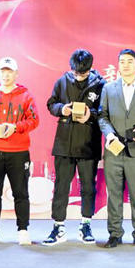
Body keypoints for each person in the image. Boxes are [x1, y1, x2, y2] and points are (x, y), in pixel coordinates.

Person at [0, 57, 39, 246]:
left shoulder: (26, 96)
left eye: (9, 71)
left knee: (21, 193)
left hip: (19, 152)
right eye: (2, 71)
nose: (6, 75)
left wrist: (16, 127)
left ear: (16, 74)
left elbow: (34, 120)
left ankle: (23, 230)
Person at [42, 49, 105, 246]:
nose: (78, 76)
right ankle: (58, 226)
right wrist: (62, 109)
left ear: (90, 69)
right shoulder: (62, 81)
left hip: (88, 143)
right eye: (76, 72)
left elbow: (104, 111)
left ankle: (85, 225)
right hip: (64, 143)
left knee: (88, 187)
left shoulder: (101, 84)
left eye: (82, 73)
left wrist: (90, 115)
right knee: (61, 187)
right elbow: (51, 104)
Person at [98, 49, 135, 248]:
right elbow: (102, 116)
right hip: (114, 149)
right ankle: (115, 234)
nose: (126, 65)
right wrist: (109, 134)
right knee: (114, 195)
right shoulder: (108, 88)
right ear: (118, 65)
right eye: (122, 61)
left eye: (130, 61)